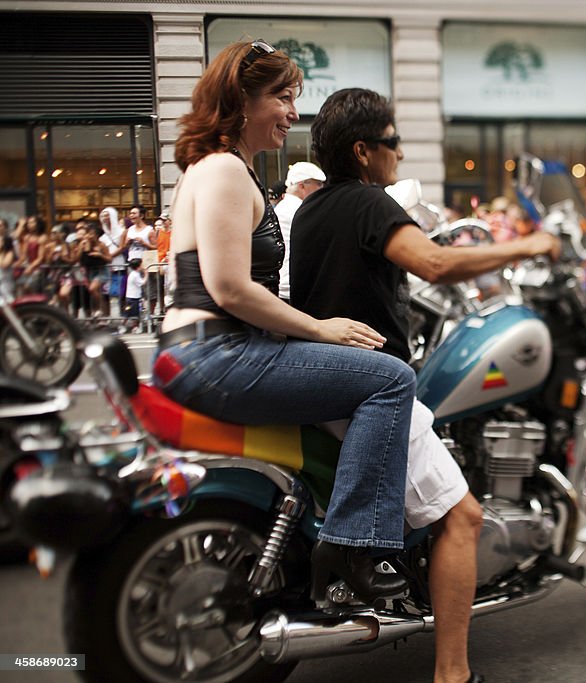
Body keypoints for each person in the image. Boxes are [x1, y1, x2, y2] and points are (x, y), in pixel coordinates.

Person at [291, 87, 560, 683]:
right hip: (370, 391)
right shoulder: (369, 203)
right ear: (363, 151)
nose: (401, 154)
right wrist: (527, 244)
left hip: (327, 382)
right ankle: (453, 674)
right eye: (392, 142)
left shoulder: (313, 209)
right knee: (462, 517)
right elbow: (433, 264)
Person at [154, 40, 415, 604]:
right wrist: (322, 329)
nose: (293, 113)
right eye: (282, 97)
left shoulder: (219, 169)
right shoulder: (224, 169)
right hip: (216, 352)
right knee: (392, 378)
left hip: (205, 349)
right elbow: (229, 288)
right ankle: (355, 544)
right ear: (239, 100)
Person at [274, 161, 325, 303]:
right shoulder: (299, 210)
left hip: (285, 286)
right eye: (319, 184)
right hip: (292, 288)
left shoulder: (285, 207)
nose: (322, 189)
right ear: (302, 186)